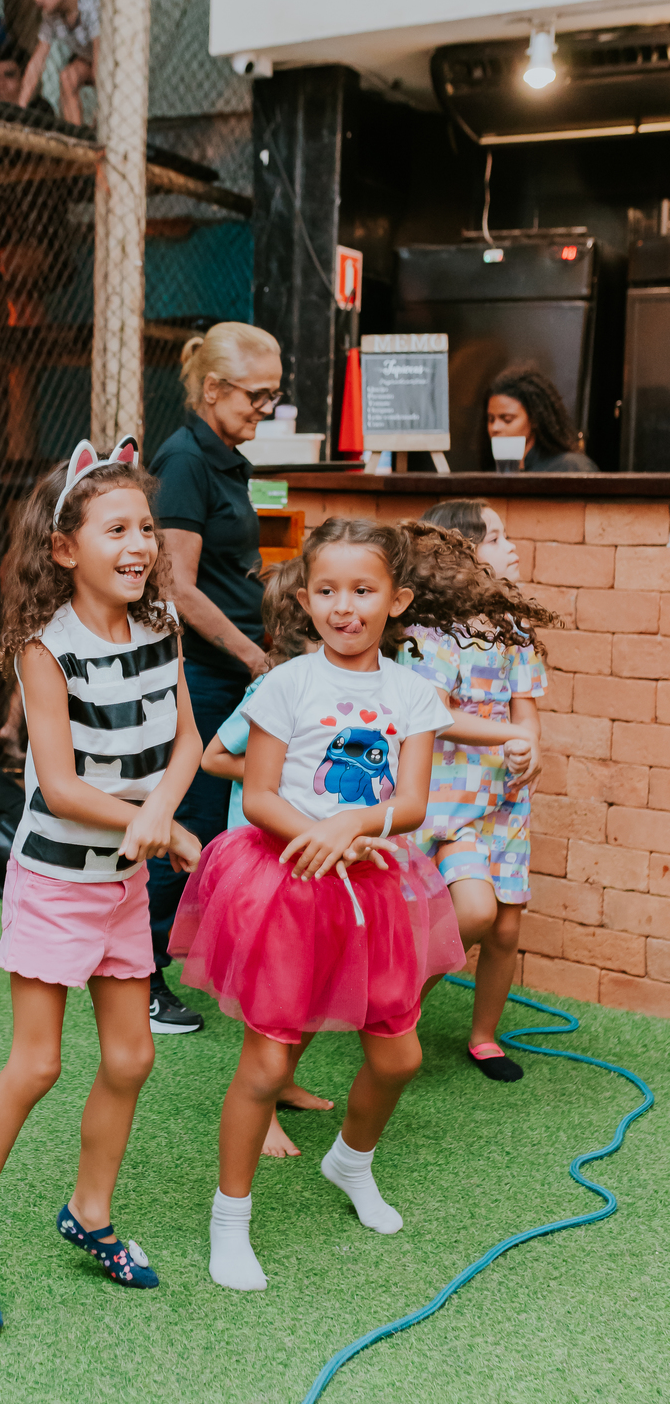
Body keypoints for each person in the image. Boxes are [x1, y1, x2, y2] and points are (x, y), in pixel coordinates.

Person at [0, 437, 202, 1333]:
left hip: (124, 879)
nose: (138, 545)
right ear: (63, 549)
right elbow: (58, 784)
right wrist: (151, 824)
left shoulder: (162, 628)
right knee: (37, 1063)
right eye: (116, 528)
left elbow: (187, 744)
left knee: (132, 1057)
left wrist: (162, 808)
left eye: (147, 528)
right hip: (57, 882)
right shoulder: (45, 650)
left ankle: (90, 1213)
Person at [172, 516, 479, 1291]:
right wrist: (321, 833)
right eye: (329, 591)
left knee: (399, 1053)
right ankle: (229, 1220)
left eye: (364, 590)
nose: (346, 607)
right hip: (288, 881)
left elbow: (410, 802)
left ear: (396, 599)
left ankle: (350, 1162)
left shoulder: (412, 693)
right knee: (268, 1057)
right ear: (306, 598)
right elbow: (260, 788)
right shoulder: (287, 683)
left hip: (375, 882)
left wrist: (355, 823)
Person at [145, 323, 284, 1035]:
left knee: (227, 823)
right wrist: (252, 656)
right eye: (258, 396)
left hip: (234, 668)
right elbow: (177, 585)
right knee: (191, 819)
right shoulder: (184, 460)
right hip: (203, 672)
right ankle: (141, 973)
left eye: (274, 397)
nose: (266, 408)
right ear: (213, 390)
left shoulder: (227, 457)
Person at [399, 501, 560, 1081]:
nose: (511, 547)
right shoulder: (430, 635)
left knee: (507, 924)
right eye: (496, 537)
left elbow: (527, 709)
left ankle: (484, 1036)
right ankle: (398, 1002)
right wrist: (510, 734)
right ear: (457, 555)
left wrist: (531, 747)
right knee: (470, 913)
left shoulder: (518, 630)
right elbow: (437, 716)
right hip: (448, 799)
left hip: (506, 798)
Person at [199, 557, 334, 1158]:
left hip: (316, 862)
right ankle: (261, 1104)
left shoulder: (338, 692)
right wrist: (271, 784)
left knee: (307, 988)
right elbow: (214, 757)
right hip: (265, 864)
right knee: (273, 997)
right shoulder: (270, 688)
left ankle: (281, 1085)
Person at [18, 0, 99, 126]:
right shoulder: (51, 15)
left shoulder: (91, 8)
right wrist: (20, 108)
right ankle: (76, 137)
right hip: (88, 59)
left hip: (112, 62)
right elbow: (37, 62)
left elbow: (100, 58)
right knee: (67, 77)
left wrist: (103, 107)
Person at [486, 366, 599, 472]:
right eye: (491, 419)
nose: (495, 428)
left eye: (507, 419)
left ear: (534, 419)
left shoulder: (570, 467)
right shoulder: (494, 470)